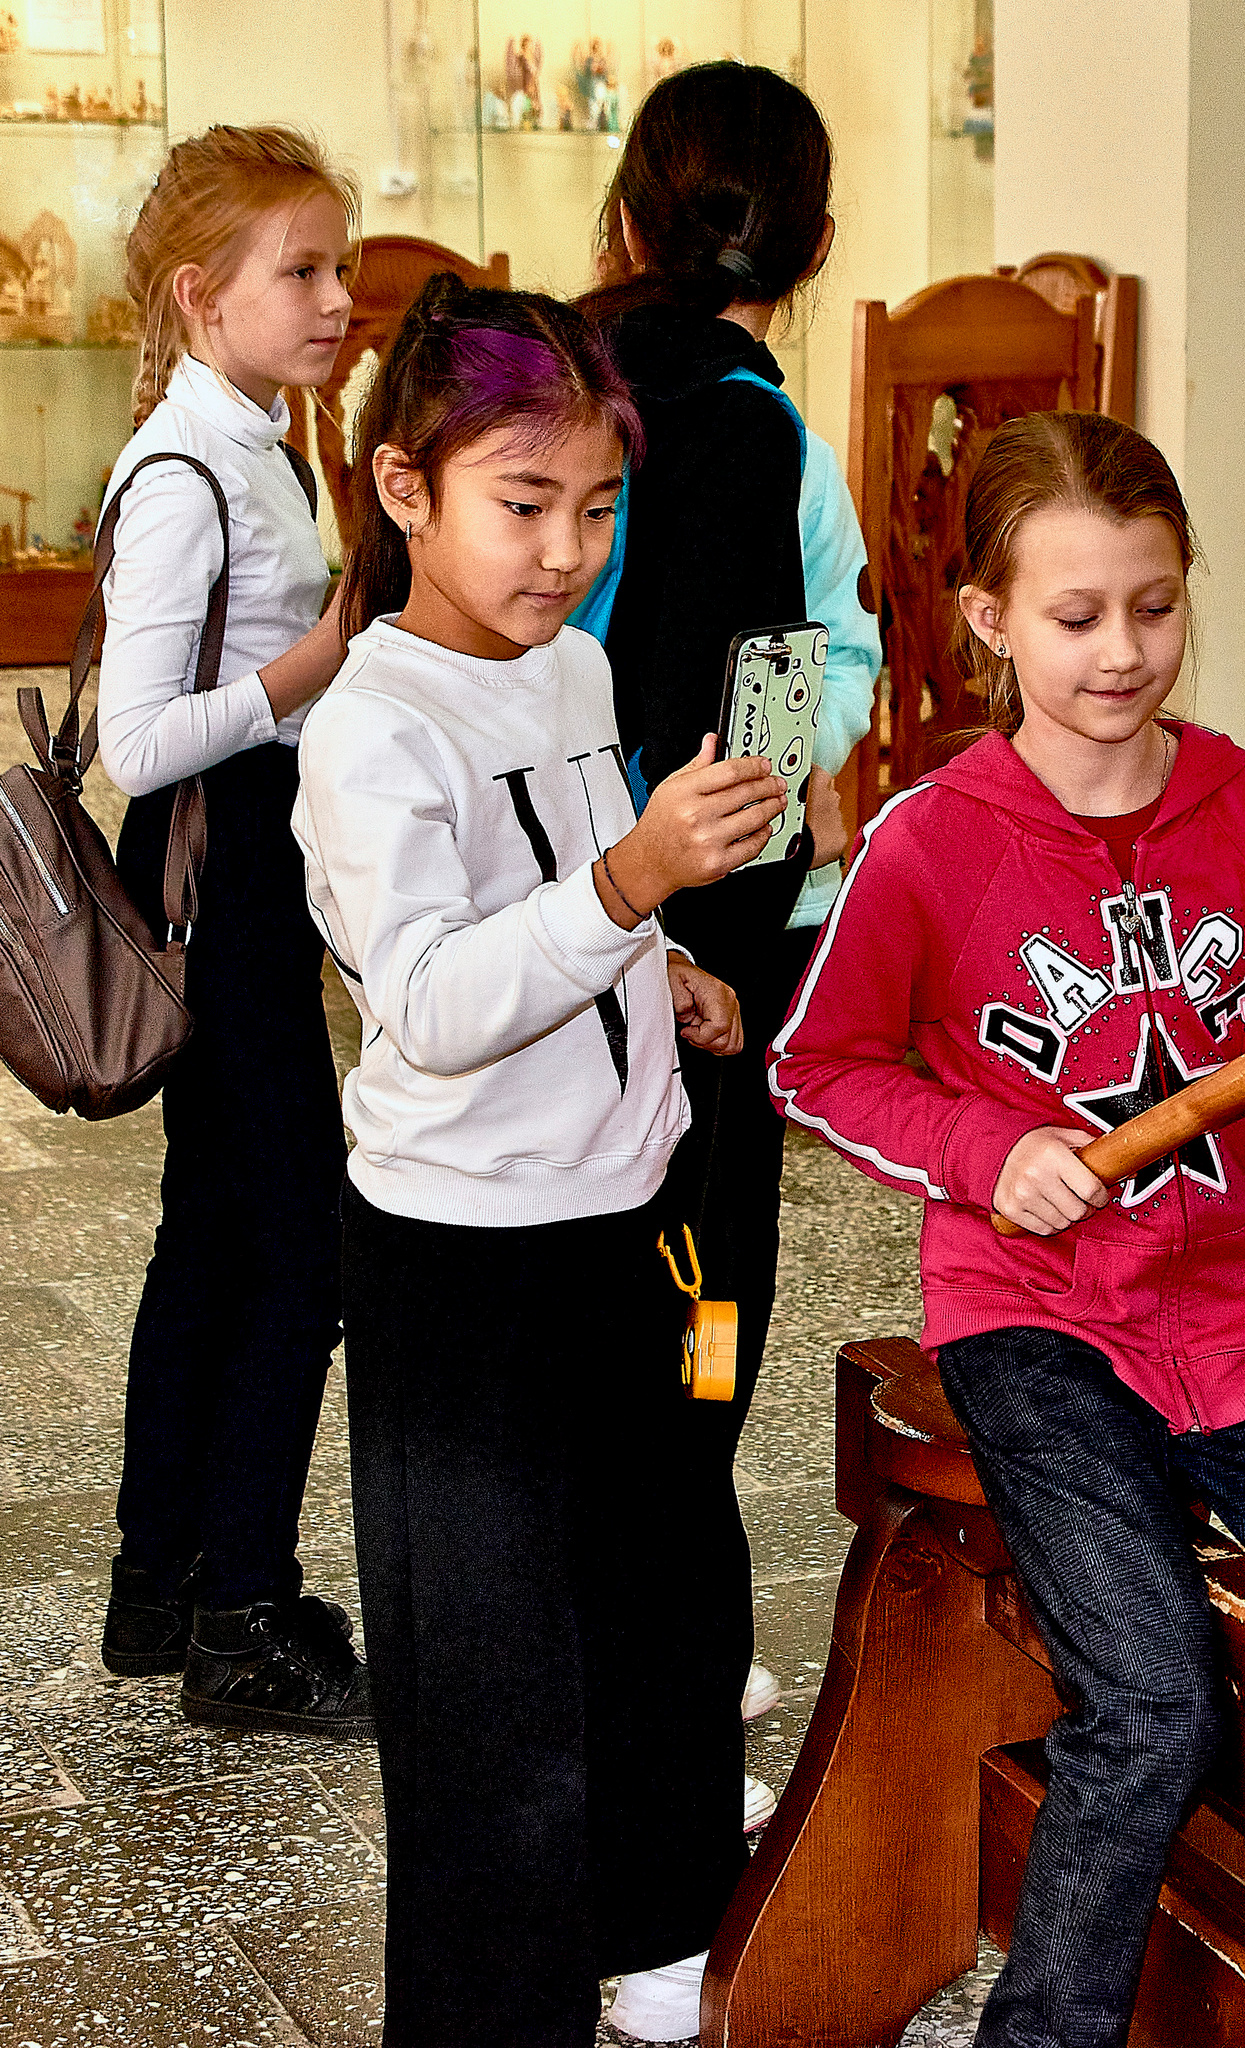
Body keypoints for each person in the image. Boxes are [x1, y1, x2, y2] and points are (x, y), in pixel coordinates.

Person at [768, 411, 1245, 2048]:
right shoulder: (932, 840)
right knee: (1152, 1692)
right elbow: (817, 1064)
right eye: (1075, 615)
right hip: (1035, 1324)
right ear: (989, 618)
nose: (1124, 651)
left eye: (1157, 605)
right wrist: (987, 1149)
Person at [292, 273, 787, 2047]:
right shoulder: (369, 726)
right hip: (465, 1260)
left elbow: (570, 899)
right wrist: (635, 888)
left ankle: (664, 1931)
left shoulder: (572, 669)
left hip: (624, 1218)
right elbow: (429, 997)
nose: (567, 549)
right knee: (487, 1674)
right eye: (523, 504)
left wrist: (668, 966)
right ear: (405, 491)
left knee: (657, 1598)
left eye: (596, 506)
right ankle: (494, 2009)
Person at [573, 58, 882, 1769]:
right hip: (700, 936)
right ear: (817, 240)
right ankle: (671, 1619)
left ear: (630, 209)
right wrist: (744, 950)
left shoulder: (555, 384)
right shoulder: (764, 428)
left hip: (543, 905)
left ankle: (625, 1590)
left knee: (588, 1269)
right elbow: (777, 694)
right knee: (704, 1283)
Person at [93, 125, 369, 1738]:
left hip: (251, 864)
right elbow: (142, 737)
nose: (338, 297)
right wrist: (319, 659)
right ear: (206, 298)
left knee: (213, 1232)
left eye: (339, 264)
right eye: (304, 271)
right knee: (299, 1247)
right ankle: (242, 1614)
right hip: (221, 871)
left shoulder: (263, 432)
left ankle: (164, 1577)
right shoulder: (190, 467)